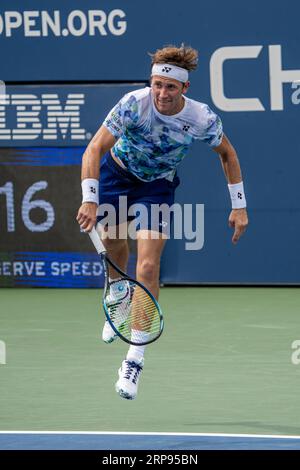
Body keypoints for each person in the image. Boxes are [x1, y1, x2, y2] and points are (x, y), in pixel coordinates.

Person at [76, 44, 248, 400]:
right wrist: (90, 198)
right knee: (113, 242)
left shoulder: (201, 118)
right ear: (150, 83)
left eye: (170, 87)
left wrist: (239, 206)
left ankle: (134, 358)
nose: (162, 93)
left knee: (149, 266)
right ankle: (118, 291)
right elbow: (94, 148)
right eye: (156, 84)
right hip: (117, 176)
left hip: (157, 187)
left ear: (184, 88)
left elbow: (228, 154)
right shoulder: (132, 104)